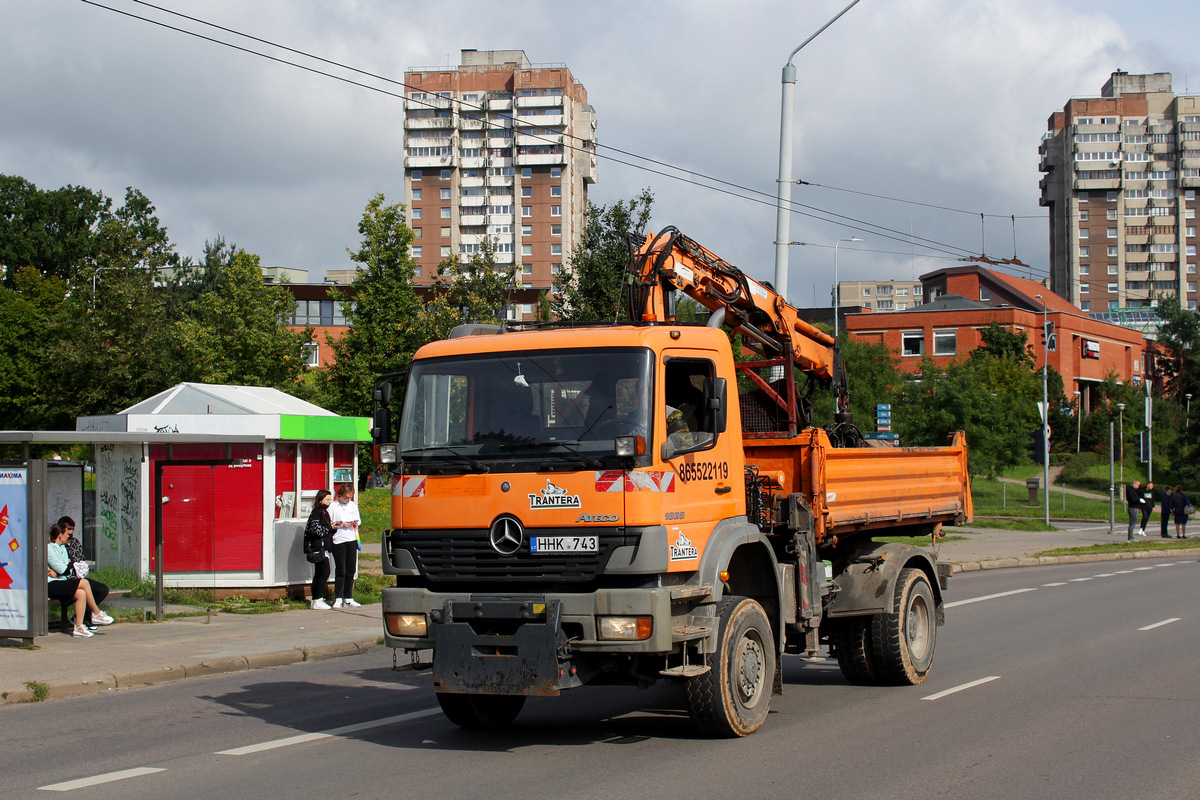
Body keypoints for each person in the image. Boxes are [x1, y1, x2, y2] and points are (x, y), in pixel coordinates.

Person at [46, 524, 113, 638]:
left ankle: (79, 627)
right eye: (67, 533)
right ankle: (96, 613)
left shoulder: (62, 548)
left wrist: (65, 568)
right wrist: (68, 568)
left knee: (81, 593)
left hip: (62, 580)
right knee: (84, 582)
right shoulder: (49, 548)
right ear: (60, 535)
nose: (69, 536)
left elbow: (65, 568)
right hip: (51, 584)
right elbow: (63, 568)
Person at [328, 484, 362, 608]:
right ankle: (338, 597)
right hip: (338, 540)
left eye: (350, 497)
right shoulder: (333, 506)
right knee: (341, 570)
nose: (348, 500)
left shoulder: (352, 505)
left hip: (351, 539)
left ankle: (348, 597)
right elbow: (329, 522)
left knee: (350, 569)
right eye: (346, 498)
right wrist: (341, 524)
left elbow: (358, 520)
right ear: (340, 496)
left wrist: (354, 522)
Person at [303, 489, 335, 610]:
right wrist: (329, 527)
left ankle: (316, 599)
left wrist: (333, 528)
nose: (329, 502)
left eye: (330, 499)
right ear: (320, 499)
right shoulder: (317, 512)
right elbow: (315, 529)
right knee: (324, 572)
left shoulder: (324, 512)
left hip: (324, 547)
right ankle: (317, 598)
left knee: (320, 573)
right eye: (327, 499)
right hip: (318, 547)